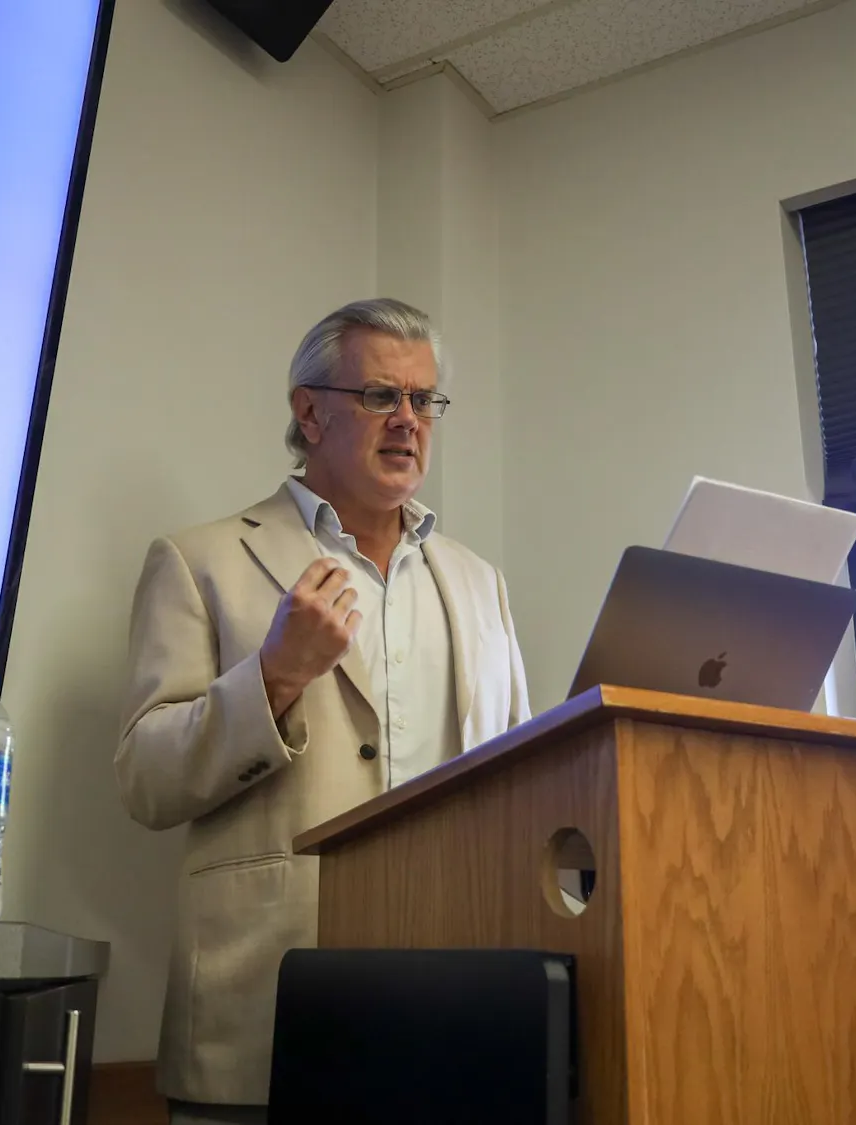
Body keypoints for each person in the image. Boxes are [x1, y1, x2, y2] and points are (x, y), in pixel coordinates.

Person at [115, 298, 531, 1125]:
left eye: (425, 400)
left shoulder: (480, 583)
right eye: (382, 396)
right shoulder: (199, 560)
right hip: (261, 1009)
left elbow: (519, 777)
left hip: (454, 1013)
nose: (409, 421)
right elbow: (146, 778)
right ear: (309, 411)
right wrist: (272, 677)